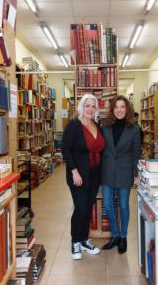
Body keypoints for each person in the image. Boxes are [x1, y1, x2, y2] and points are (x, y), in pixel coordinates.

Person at [62, 94, 105, 260]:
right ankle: (75, 241)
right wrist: (73, 170)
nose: (90, 109)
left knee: (88, 207)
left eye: (93, 106)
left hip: (94, 174)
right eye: (87, 105)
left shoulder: (97, 125)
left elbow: (101, 149)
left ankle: (84, 239)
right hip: (78, 175)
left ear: (96, 110)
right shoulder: (74, 126)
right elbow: (66, 149)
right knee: (80, 208)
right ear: (81, 107)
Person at [101, 95, 141, 254]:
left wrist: (136, 173)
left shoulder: (134, 129)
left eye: (122, 107)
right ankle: (115, 236)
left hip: (125, 171)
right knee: (108, 205)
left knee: (124, 205)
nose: (119, 110)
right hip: (107, 170)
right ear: (112, 109)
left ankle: (123, 236)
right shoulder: (105, 127)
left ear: (127, 109)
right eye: (116, 107)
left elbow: (136, 152)